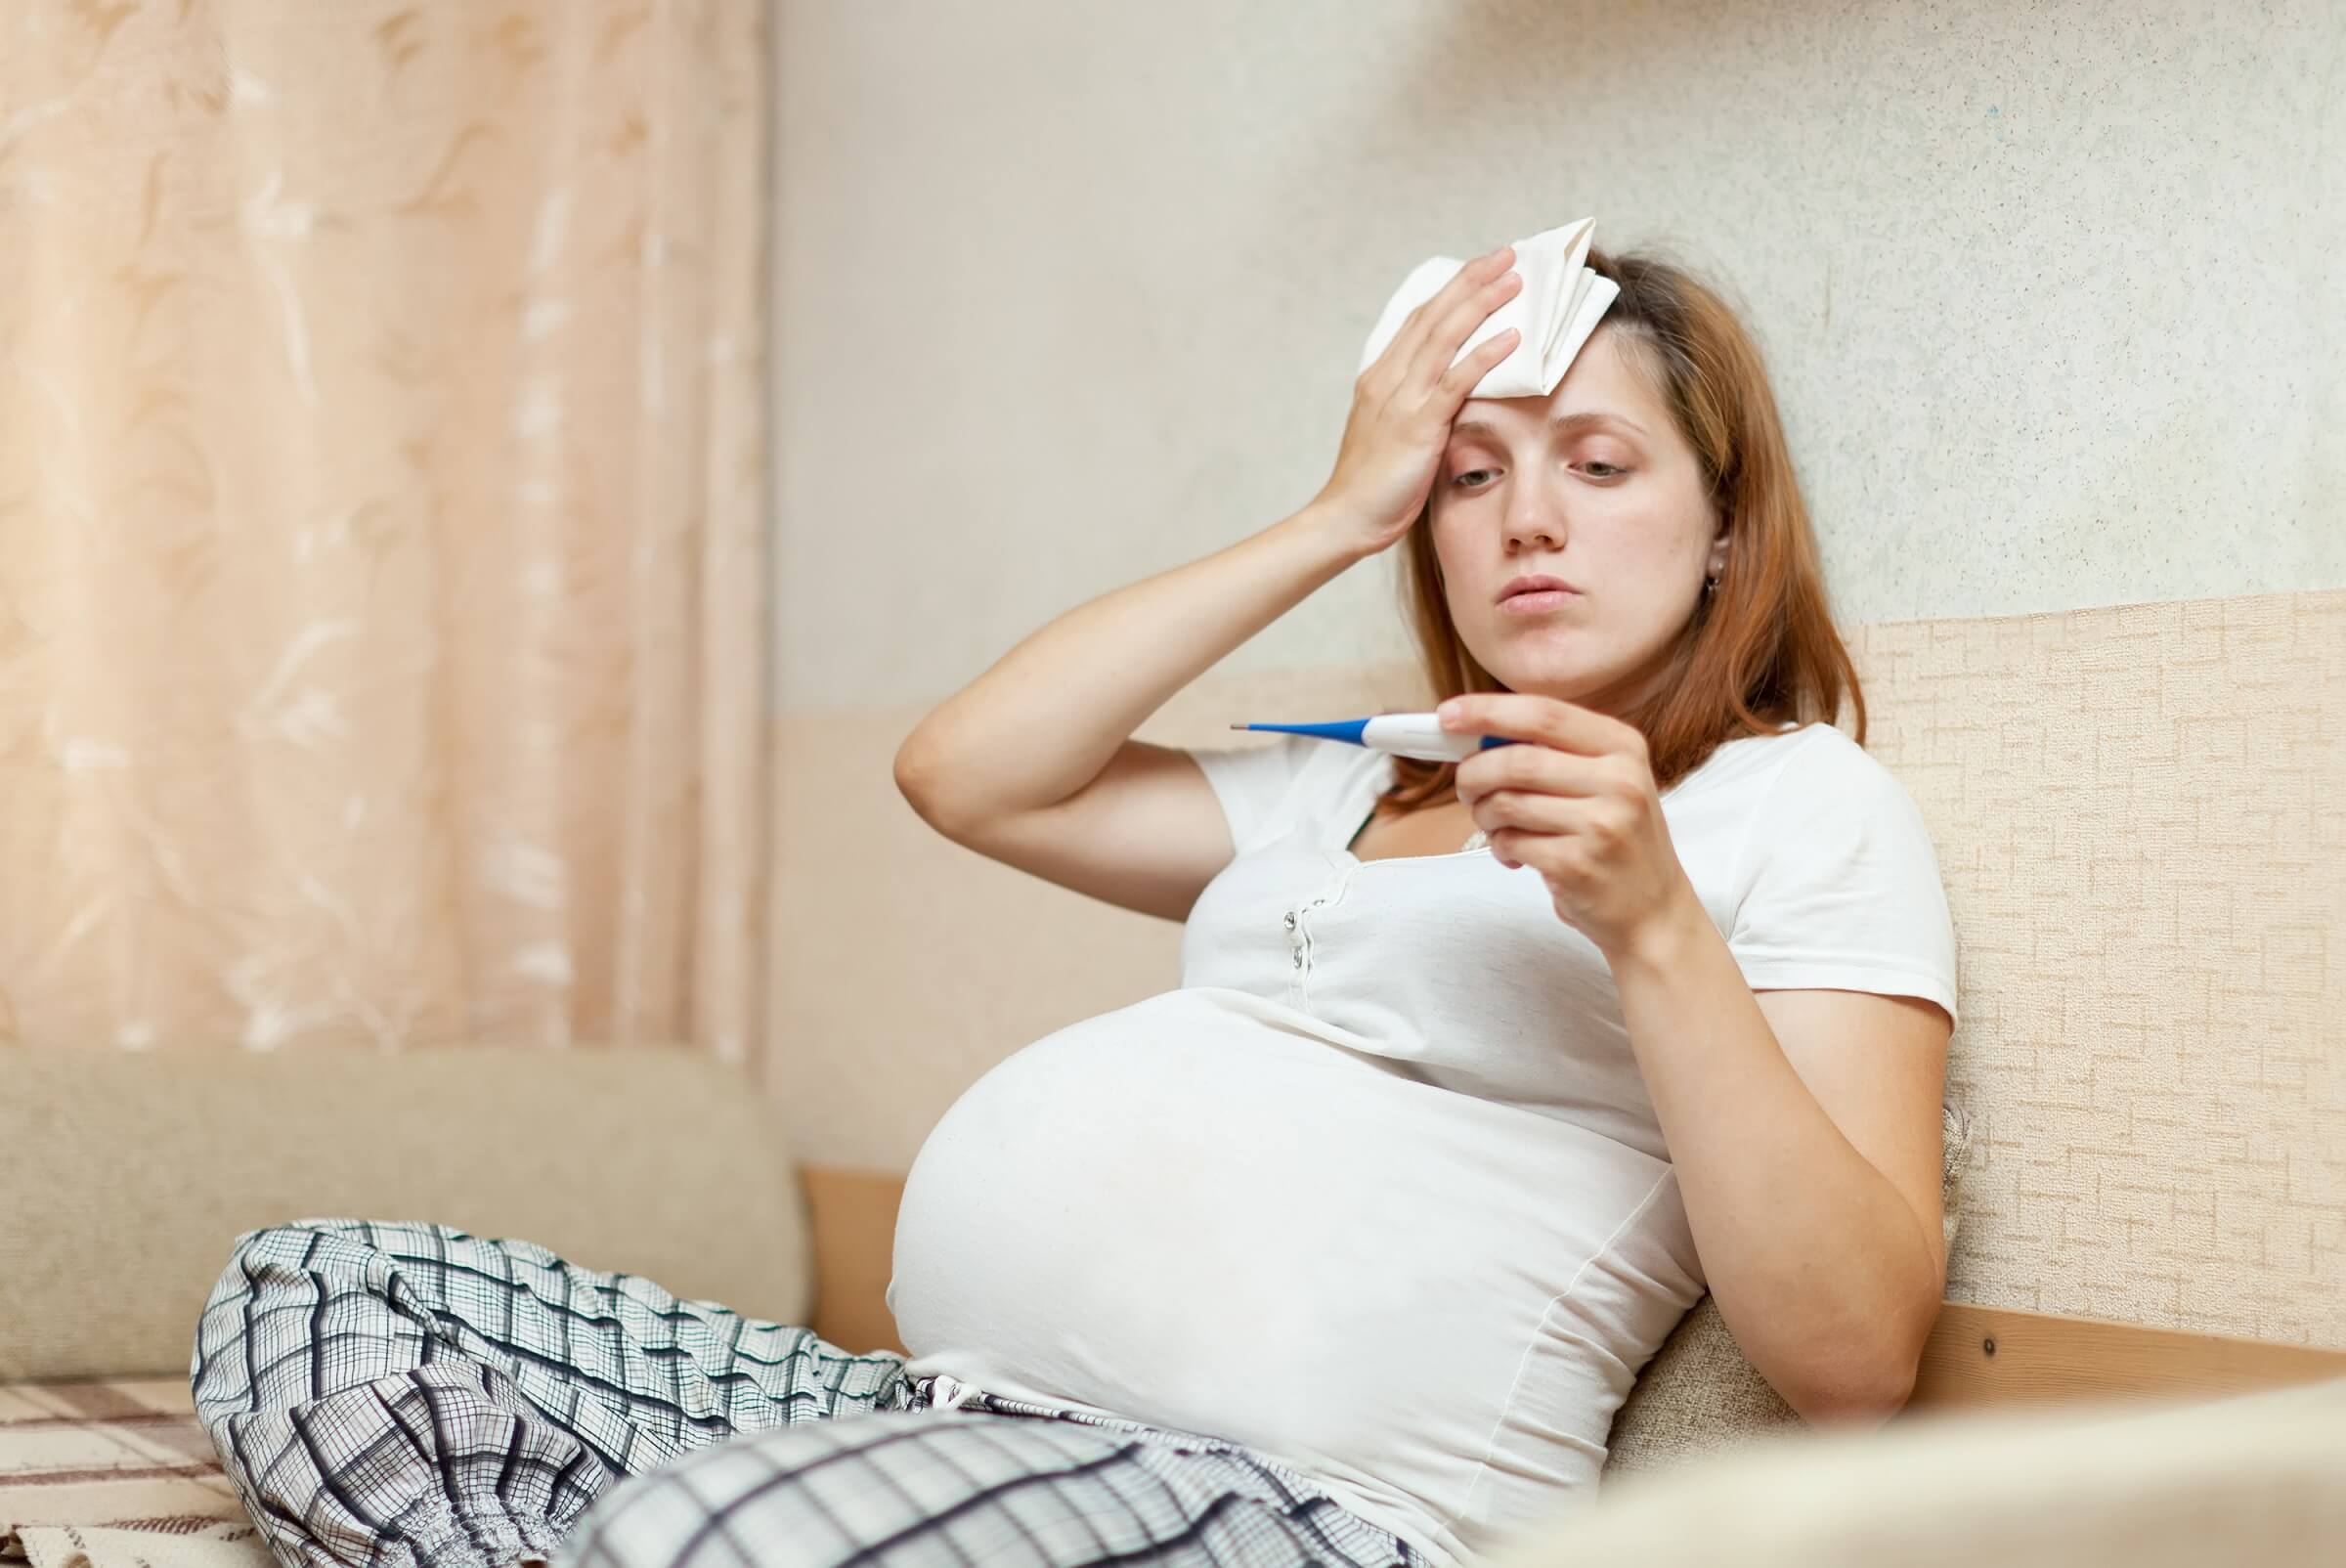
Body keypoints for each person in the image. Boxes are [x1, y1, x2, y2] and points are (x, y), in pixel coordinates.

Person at [193, 241, 1958, 1568]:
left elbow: (1856, 1355)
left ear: (1727, 526)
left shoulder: (1791, 809)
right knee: (312, 1301)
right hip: (941, 1421)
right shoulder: (1342, 784)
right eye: (1473, 476)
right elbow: (970, 770)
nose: (1524, 523)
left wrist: (1650, 922)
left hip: (1306, 1514)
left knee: (728, 1536)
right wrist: (1338, 511)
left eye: (1598, 462)